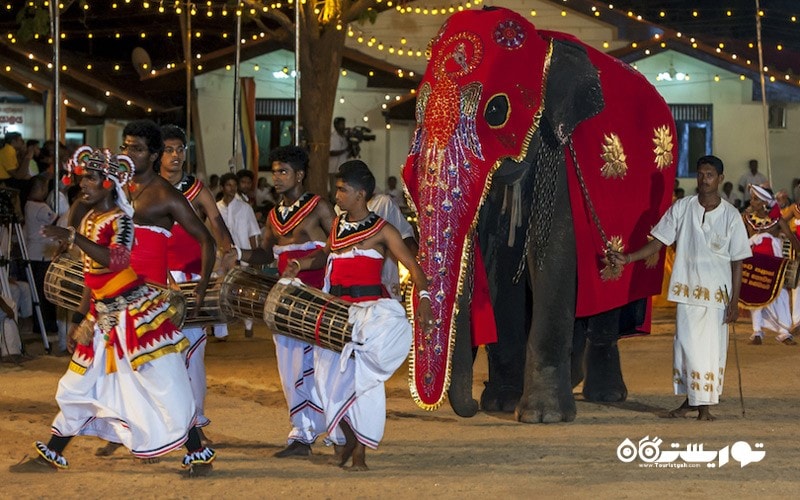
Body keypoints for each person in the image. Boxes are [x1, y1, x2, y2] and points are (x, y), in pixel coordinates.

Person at [11, 148, 214, 474]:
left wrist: (73, 236)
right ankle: (52, 451)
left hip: (135, 316)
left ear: (110, 183)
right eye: (81, 180)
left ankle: (196, 452)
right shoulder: (91, 218)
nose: (84, 186)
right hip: (104, 317)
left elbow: (118, 260)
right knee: (77, 385)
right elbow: (93, 273)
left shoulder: (123, 220)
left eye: (90, 179)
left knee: (162, 383)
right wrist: (83, 315)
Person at [284, 159, 433, 469]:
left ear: (360, 194)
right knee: (328, 382)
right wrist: (300, 265)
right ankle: (348, 436)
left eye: (343, 190)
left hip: (368, 317)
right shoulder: (337, 226)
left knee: (363, 383)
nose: (337, 195)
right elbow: (326, 254)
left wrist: (423, 298)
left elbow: (415, 268)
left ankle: (361, 451)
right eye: (337, 189)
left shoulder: (383, 230)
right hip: (335, 314)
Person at [608, 155, 751, 421]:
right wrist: (627, 258)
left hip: (716, 297)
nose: (704, 180)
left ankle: (704, 407)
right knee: (686, 347)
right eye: (700, 174)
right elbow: (659, 241)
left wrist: (734, 302)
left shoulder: (731, 215)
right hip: (687, 292)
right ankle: (690, 401)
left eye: (709, 175)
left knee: (708, 350)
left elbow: (738, 262)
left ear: (720, 179)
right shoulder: (682, 208)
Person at [238, 145, 334, 458]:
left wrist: (307, 265)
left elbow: (339, 245)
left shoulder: (320, 207)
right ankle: (301, 434)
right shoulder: (273, 215)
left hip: (316, 300)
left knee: (322, 368)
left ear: (300, 175)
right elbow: (266, 254)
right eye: (274, 172)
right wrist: (237, 255)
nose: (276, 178)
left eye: (283, 172)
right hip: (285, 305)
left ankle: (336, 428)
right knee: (290, 369)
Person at [160, 124, 236, 440]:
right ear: (157, 154)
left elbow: (217, 225)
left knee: (192, 355)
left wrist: (229, 251)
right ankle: (163, 428)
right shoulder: (147, 189)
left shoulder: (197, 189)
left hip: (193, 282)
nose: (175, 155)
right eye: (168, 149)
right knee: (158, 357)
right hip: (158, 283)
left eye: (180, 149)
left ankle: (194, 425)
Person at [742, 185, 799, 345]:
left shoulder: (777, 220)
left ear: (764, 203)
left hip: (774, 265)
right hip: (754, 263)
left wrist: (796, 255)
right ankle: (757, 331)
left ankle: (783, 332)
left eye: (755, 199)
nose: (752, 202)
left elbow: (792, 239)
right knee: (755, 295)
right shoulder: (746, 218)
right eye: (752, 198)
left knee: (779, 295)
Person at [216, 172, 261, 337]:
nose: (232, 188)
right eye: (228, 185)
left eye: (234, 185)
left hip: (243, 253)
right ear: (222, 187)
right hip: (222, 256)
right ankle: (221, 330)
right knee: (220, 290)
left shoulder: (245, 208)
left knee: (244, 291)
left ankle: (248, 324)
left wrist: (256, 256)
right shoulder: (215, 208)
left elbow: (253, 233)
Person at [23, 175, 59, 336]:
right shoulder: (40, 207)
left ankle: (41, 324)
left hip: (33, 252)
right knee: (44, 293)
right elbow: (54, 219)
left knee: (37, 292)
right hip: (41, 254)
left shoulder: (28, 205)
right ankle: (45, 324)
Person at [329, 117, 349, 198]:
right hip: (334, 169)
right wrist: (344, 150)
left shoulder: (344, 137)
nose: (344, 126)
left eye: (344, 124)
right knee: (335, 192)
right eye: (342, 124)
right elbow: (331, 152)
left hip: (343, 168)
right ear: (336, 125)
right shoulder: (333, 137)